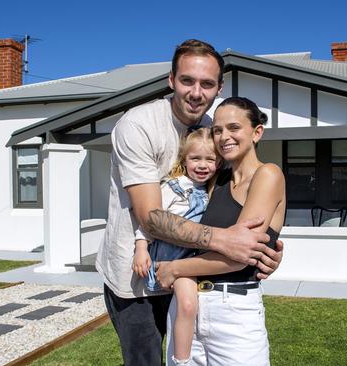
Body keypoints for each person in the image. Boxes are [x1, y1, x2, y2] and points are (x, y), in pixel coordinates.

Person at [96, 39, 284, 366]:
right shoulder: (139, 125)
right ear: (171, 80)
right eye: (187, 81)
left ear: (218, 88)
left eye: (207, 84)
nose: (196, 92)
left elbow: (238, 199)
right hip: (136, 278)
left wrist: (267, 246)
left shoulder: (214, 131)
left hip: (192, 279)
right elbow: (151, 217)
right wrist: (224, 240)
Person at [157, 96, 286, 366]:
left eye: (234, 128)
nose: (224, 136)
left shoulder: (268, 175)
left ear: (256, 132)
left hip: (234, 313)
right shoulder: (215, 179)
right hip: (187, 304)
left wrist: (173, 268)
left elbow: (239, 255)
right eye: (218, 130)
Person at [132, 127, 219, 365]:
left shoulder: (213, 190)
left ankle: (188, 354)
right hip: (169, 260)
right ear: (184, 159)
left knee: (191, 307)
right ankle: (182, 361)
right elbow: (150, 220)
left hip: (190, 262)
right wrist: (141, 248)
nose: (203, 165)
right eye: (195, 158)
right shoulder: (173, 187)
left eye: (210, 159)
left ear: (219, 162)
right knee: (189, 305)